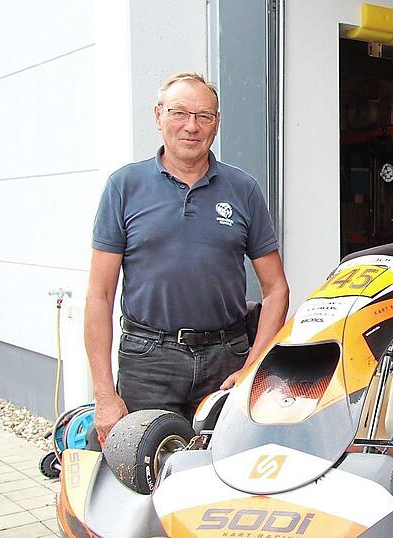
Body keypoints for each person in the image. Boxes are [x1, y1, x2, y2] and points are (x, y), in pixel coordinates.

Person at [86, 72, 289, 440]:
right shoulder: (124, 187)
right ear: (158, 116)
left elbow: (276, 289)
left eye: (204, 116)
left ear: (216, 124)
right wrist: (104, 394)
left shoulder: (243, 190)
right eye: (179, 113)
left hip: (227, 359)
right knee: (143, 480)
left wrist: (253, 366)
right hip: (148, 361)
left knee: (229, 474)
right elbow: (98, 295)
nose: (191, 127)